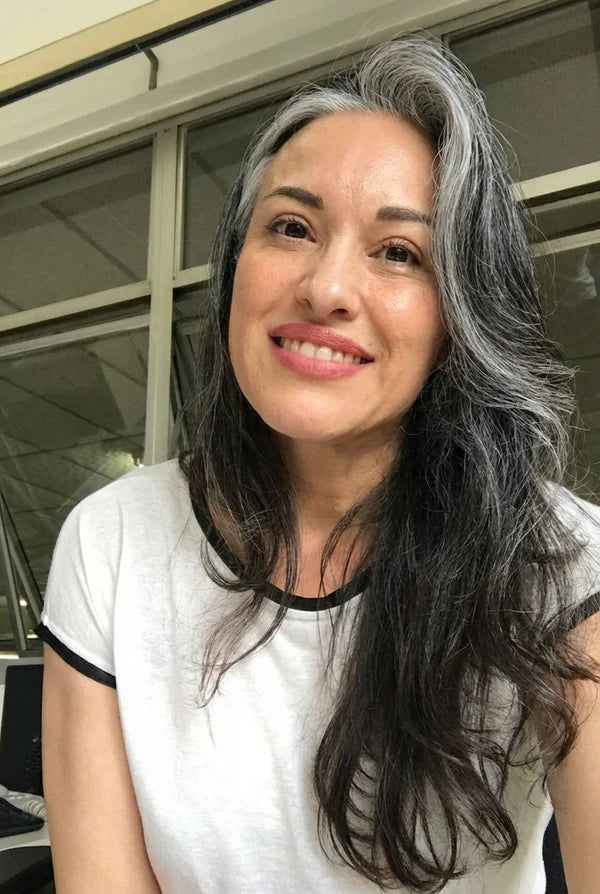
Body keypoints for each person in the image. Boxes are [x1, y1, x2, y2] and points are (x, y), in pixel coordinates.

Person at [36, 32, 600, 894]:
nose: (327, 287)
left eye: (399, 252)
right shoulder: (112, 542)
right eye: (292, 227)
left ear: (459, 320)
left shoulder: (562, 567)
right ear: (235, 271)